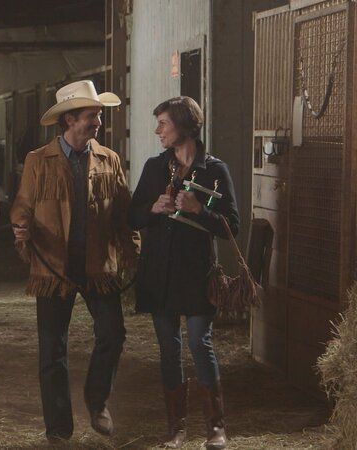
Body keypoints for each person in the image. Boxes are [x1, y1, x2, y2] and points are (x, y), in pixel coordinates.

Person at [10, 80, 140, 442]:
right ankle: (58, 429)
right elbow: (22, 205)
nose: (98, 122)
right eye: (91, 115)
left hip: (99, 266)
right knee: (53, 349)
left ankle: (96, 400)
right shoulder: (38, 161)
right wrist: (21, 227)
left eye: (98, 115)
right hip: (53, 268)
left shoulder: (109, 159)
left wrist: (132, 254)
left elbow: (124, 214)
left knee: (113, 334)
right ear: (69, 120)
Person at [127, 96, 238, 449]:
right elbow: (131, 216)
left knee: (199, 342)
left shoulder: (215, 170)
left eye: (163, 123)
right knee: (168, 348)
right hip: (159, 273)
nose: (157, 130)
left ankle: (216, 428)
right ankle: (176, 429)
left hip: (197, 274)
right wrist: (152, 208)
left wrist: (199, 209)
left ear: (184, 125)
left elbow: (232, 226)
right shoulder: (154, 168)